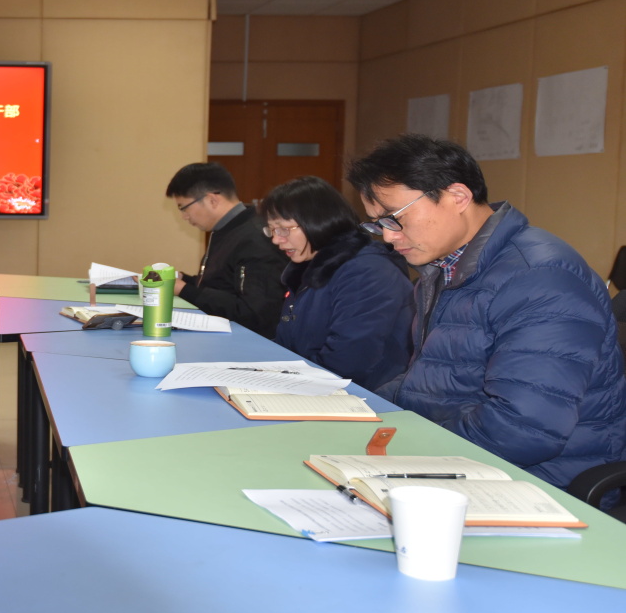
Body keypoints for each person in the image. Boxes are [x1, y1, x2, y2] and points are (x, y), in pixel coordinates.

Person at [347, 134, 626, 490]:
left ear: (458, 197)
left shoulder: (540, 278)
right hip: (464, 453)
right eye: (378, 224)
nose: (388, 237)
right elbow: (428, 380)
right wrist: (354, 409)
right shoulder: (446, 267)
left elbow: (524, 429)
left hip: (540, 481)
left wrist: (411, 452)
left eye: (394, 218)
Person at [259, 176, 414, 391]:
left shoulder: (367, 272)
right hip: (314, 386)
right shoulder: (308, 268)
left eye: (284, 229)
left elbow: (348, 362)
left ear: (319, 222)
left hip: (365, 396)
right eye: (272, 230)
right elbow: (288, 345)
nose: (276, 239)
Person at [166, 162, 287, 336]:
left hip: (249, 341)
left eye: (184, 208)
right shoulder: (227, 228)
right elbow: (221, 284)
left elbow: (254, 313)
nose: (184, 216)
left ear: (212, 200)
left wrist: (184, 290)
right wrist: (184, 280)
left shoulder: (256, 238)